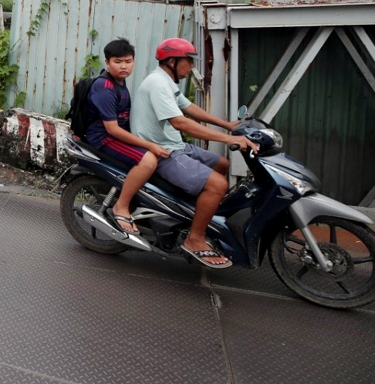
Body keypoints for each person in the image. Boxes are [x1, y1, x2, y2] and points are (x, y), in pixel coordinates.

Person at [131, 37, 258, 268]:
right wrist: (230, 138)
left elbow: (189, 108)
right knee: (218, 185)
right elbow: (181, 123)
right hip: (162, 152)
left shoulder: (167, 82)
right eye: (188, 61)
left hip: (175, 144)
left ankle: (198, 212)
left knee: (222, 163)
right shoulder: (158, 84)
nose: (191, 67)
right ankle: (195, 238)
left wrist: (226, 124)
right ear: (172, 61)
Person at [82, 38, 170, 235]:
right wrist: (149, 145)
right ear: (107, 63)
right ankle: (121, 206)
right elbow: (112, 129)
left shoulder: (120, 83)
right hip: (103, 137)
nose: (123, 66)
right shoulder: (105, 87)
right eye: (117, 61)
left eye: (128, 61)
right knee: (148, 161)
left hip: (117, 135)